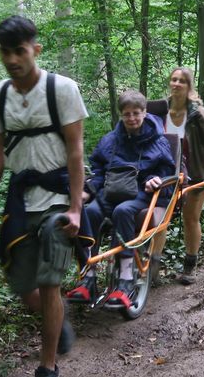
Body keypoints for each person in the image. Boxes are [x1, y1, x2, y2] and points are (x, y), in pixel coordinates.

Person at [0, 16, 88, 377]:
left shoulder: (62, 90)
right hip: (20, 201)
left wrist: (74, 207)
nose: (12, 59)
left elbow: (75, 150)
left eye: (19, 51)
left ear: (35, 49)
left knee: (50, 282)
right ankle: (59, 318)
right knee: (22, 284)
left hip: (56, 201)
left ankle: (47, 366)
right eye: (5, 52)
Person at [68, 90, 175, 304]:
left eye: (136, 113)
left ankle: (125, 279)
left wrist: (155, 180)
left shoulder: (158, 141)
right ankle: (88, 278)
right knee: (89, 212)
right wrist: (87, 190)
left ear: (144, 113)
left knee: (123, 211)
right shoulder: (110, 140)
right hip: (111, 192)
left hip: (141, 194)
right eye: (127, 114)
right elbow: (98, 171)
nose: (132, 118)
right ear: (120, 115)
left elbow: (168, 172)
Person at [148, 67, 204, 285]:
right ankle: (152, 269)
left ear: (189, 86)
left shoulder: (198, 114)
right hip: (168, 172)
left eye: (182, 81)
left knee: (190, 217)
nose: (176, 84)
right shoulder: (159, 110)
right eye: (173, 79)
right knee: (160, 218)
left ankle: (190, 265)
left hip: (197, 173)